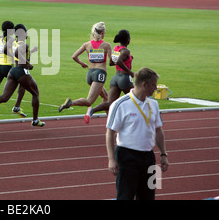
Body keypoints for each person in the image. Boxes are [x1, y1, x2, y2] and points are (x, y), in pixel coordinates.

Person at [106, 67, 169, 200]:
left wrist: (163, 154)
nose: (156, 88)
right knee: (125, 196)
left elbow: (158, 130)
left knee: (148, 196)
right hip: (127, 156)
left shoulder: (154, 104)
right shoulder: (120, 104)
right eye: (153, 85)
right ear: (144, 84)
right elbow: (110, 132)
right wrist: (111, 159)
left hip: (149, 157)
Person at [0, 24, 45, 127]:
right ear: (23, 33)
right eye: (27, 31)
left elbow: (7, 50)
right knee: (35, 93)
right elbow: (18, 54)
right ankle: (35, 120)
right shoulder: (24, 44)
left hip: (12, 71)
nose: (28, 33)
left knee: (5, 97)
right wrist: (28, 64)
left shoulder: (13, 42)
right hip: (21, 71)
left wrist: (31, 52)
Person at [59, 22, 111, 118]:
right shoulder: (106, 45)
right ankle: (70, 103)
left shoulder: (87, 45)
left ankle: (109, 121)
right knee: (89, 101)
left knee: (105, 97)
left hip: (90, 74)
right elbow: (112, 61)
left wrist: (82, 63)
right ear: (102, 33)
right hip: (100, 74)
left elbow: (74, 56)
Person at [85, 29, 134, 124]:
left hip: (115, 79)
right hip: (124, 78)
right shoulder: (126, 51)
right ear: (128, 40)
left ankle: (92, 110)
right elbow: (119, 61)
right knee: (138, 97)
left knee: (110, 103)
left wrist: (128, 59)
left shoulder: (116, 48)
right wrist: (130, 72)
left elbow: (112, 62)